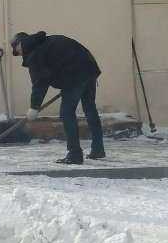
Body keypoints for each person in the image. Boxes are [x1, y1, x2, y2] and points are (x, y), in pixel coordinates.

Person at [11, 31, 105, 164]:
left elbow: (40, 84)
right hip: (89, 69)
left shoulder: (34, 54)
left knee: (66, 113)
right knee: (90, 109)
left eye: (16, 50)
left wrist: (34, 107)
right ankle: (98, 149)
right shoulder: (46, 42)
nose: (18, 54)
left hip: (74, 76)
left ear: (19, 44)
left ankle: (75, 154)